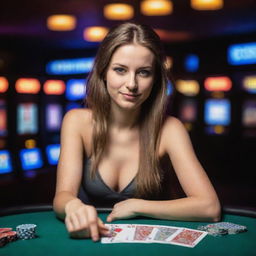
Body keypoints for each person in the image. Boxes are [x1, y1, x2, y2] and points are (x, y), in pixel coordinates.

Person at [53, 22, 221, 242]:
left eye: (143, 72)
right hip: (91, 243)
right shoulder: (76, 122)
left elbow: (209, 207)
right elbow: (62, 197)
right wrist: (74, 206)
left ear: (155, 79)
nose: (131, 84)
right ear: (103, 72)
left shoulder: (170, 129)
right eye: (120, 70)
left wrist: (138, 205)